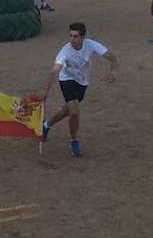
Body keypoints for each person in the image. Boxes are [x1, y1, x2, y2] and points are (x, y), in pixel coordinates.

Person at [36, 22, 119, 159]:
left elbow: (112, 56)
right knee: (74, 111)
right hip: (66, 80)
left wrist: (113, 70)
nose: (72, 39)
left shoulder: (91, 45)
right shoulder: (65, 50)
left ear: (82, 37)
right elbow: (55, 70)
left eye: (75, 36)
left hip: (82, 83)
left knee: (67, 111)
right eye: (70, 36)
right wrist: (46, 91)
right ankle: (74, 140)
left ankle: (46, 125)